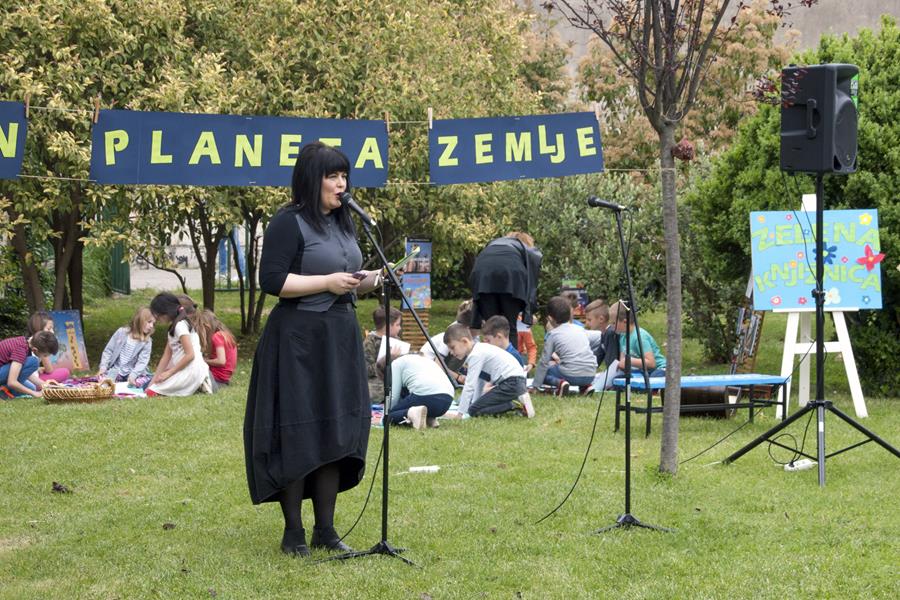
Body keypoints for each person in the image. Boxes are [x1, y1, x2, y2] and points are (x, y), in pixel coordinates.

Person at [244, 141, 381, 557]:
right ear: (311, 179)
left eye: (344, 176)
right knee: (299, 430)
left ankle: (326, 529)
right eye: (332, 176)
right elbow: (272, 281)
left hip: (339, 335)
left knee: (334, 428)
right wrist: (327, 282)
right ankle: (293, 533)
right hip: (298, 339)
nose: (341, 184)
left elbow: (345, 278)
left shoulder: (343, 222)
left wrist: (371, 279)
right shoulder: (288, 222)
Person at [443, 323, 534, 418]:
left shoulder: (475, 355)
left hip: (511, 383)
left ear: (464, 341)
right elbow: (480, 381)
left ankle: (513, 404)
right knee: (474, 409)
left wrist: (460, 413)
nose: (451, 352)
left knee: (473, 411)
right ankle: (515, 401)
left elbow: (469, 386)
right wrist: (475, 402)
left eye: (452, 347)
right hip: (514, 382)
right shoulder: (479, 350)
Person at [469, 231, 542, 340]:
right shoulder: (523, 247)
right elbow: (535, 263)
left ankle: (492, 350)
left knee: (491, 326)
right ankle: (509, 350)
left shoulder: (493, 243)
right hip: (512, 276)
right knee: (509, 327)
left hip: (483, 276)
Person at [146, 293, 212, 397]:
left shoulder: (180, 326)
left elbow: (190, 355)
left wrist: (169, 373)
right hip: (184, 370)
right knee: (151, 388)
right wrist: (152, 383)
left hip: (191, 371)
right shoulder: (174, 327)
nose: (157, 319)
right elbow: (166, 357)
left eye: (158, 316)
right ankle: (196, 385)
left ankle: (199, 384)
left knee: (152, 393)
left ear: (166, 312)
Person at [532, 296, 597, 396]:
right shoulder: (579, 329)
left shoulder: (553, 335)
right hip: (591, 374)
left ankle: (561, 383)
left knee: (545, 371)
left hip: (570, 375)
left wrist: (535, 385)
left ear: (550, 318)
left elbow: (544, 362)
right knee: (566, 367)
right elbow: (598, 337)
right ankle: (586, 387)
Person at [375, 353, 453, 429]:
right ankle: (429, 419)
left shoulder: (395, 364)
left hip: (428, 397)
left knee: (389, 416)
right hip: (446, 401)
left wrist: (383, 418)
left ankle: (412, 413)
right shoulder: (419, 359)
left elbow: (393, 397)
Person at [97, 307, 155, 388]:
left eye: (153, 323)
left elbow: (142, 362)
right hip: (116, 371)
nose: (151, 326)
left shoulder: (147, 341)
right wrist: (103, 367)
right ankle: (116, 383)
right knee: (104, 383)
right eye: (149, 322)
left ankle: (129, 385)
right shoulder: (121, 332)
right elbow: (108, 351)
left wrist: (133, 375)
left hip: (134, 374)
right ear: (140, 321)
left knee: (147, 381)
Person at [420, 299, 473, 386]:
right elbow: (438, 366)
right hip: (428, 367)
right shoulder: (452, 336)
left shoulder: (465, 335)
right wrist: (458, 377)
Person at [610, 300, 667, 378]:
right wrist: (620, 365)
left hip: (659, 369)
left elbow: (651, 363)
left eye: (613, 323)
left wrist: (629, 361)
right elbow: (623, 361)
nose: (611, 326)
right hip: (643, 371)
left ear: (625, 322)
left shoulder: (640, 337)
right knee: (619, 379)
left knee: (654, 378)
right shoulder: (623, 337)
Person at [0, 331, 58, 398]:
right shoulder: (21, 350)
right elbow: (12, 382)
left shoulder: (25, 343)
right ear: (35, 350)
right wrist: (34, 393)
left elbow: (22, 372)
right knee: (34, 362)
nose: (44, 357)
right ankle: (4, 390)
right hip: (5, 376)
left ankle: (6, 391)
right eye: (45, 355)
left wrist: (45, 385)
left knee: (32, 388)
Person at [363, 306, 402, 403]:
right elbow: (366, 370)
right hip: (377, 383)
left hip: (395, 379)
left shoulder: (396, 340)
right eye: (397, 325)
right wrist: (386, 359)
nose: (400, 328)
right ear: (388, 326)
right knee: (373, 392)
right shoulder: (370, 342)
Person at [195, 309, 238, 390]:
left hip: (217, 378)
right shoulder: (225, 334)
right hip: (224, 379)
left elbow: (221, 361)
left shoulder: (217, 336)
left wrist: (204, 360)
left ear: (206, 326)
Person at [584, 300, 620, 390]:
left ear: (601, 319)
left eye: (589, 320)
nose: (586, 323)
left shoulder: (610, 333)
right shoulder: (604, 334)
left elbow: (613, 362)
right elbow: (598, 357)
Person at [25, 311, 70, 383]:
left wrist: (38, 368)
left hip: (24, 377)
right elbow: (49, 370)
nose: (52, 332)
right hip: (31, 381)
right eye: (49, 329)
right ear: (38, 329)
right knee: (65, 372)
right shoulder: (41, 343)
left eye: (52, 329)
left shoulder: (29, 340)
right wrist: (44, 368)